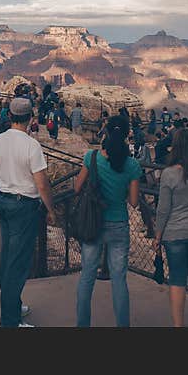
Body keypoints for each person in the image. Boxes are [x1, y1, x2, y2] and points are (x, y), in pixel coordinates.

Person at [0, 98, 55, 327]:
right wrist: (50, 209)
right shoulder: (31, 145)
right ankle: (10, 321)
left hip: (5, 202)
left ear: (10, 116)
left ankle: (13, 305)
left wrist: (0, 201)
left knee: (8, 258)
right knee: (17, 264)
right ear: (30, 118)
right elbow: (42, 184)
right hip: (24, 206)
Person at [73, 115, 141, 327]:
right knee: (119, 280)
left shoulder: (91, 158)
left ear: (107, 131)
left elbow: (76, 188)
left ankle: (82, 324)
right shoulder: (132, 164)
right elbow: (134, 201)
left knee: (87, 276)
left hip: (93, 223)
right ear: (126, 134)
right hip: (118, 224)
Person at [152, 128, 188, 327]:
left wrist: (157, 236)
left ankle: (178, 326)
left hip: (175, 232)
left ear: (174, 146)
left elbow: (163, 209)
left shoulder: (169, 174)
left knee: (177, 280)